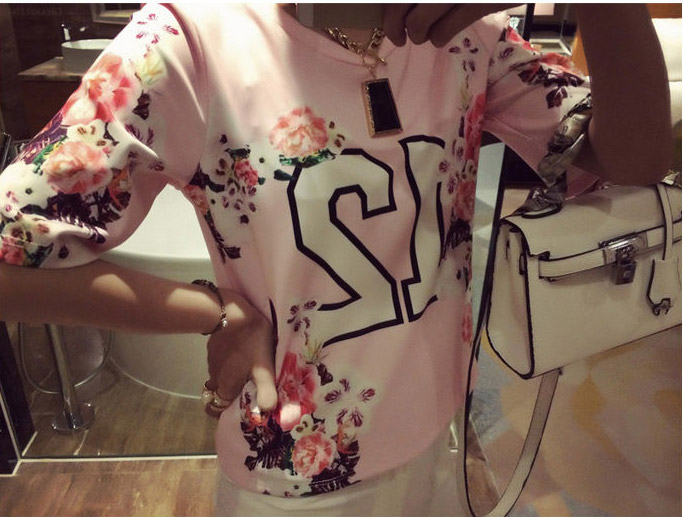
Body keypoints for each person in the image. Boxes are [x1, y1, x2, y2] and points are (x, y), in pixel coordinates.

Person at [0, 3, 672, 516]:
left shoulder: (469, 34)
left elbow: (637, 156)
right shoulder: (189, 42)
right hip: (296, 477)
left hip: (438, 431)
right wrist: (214, 313)